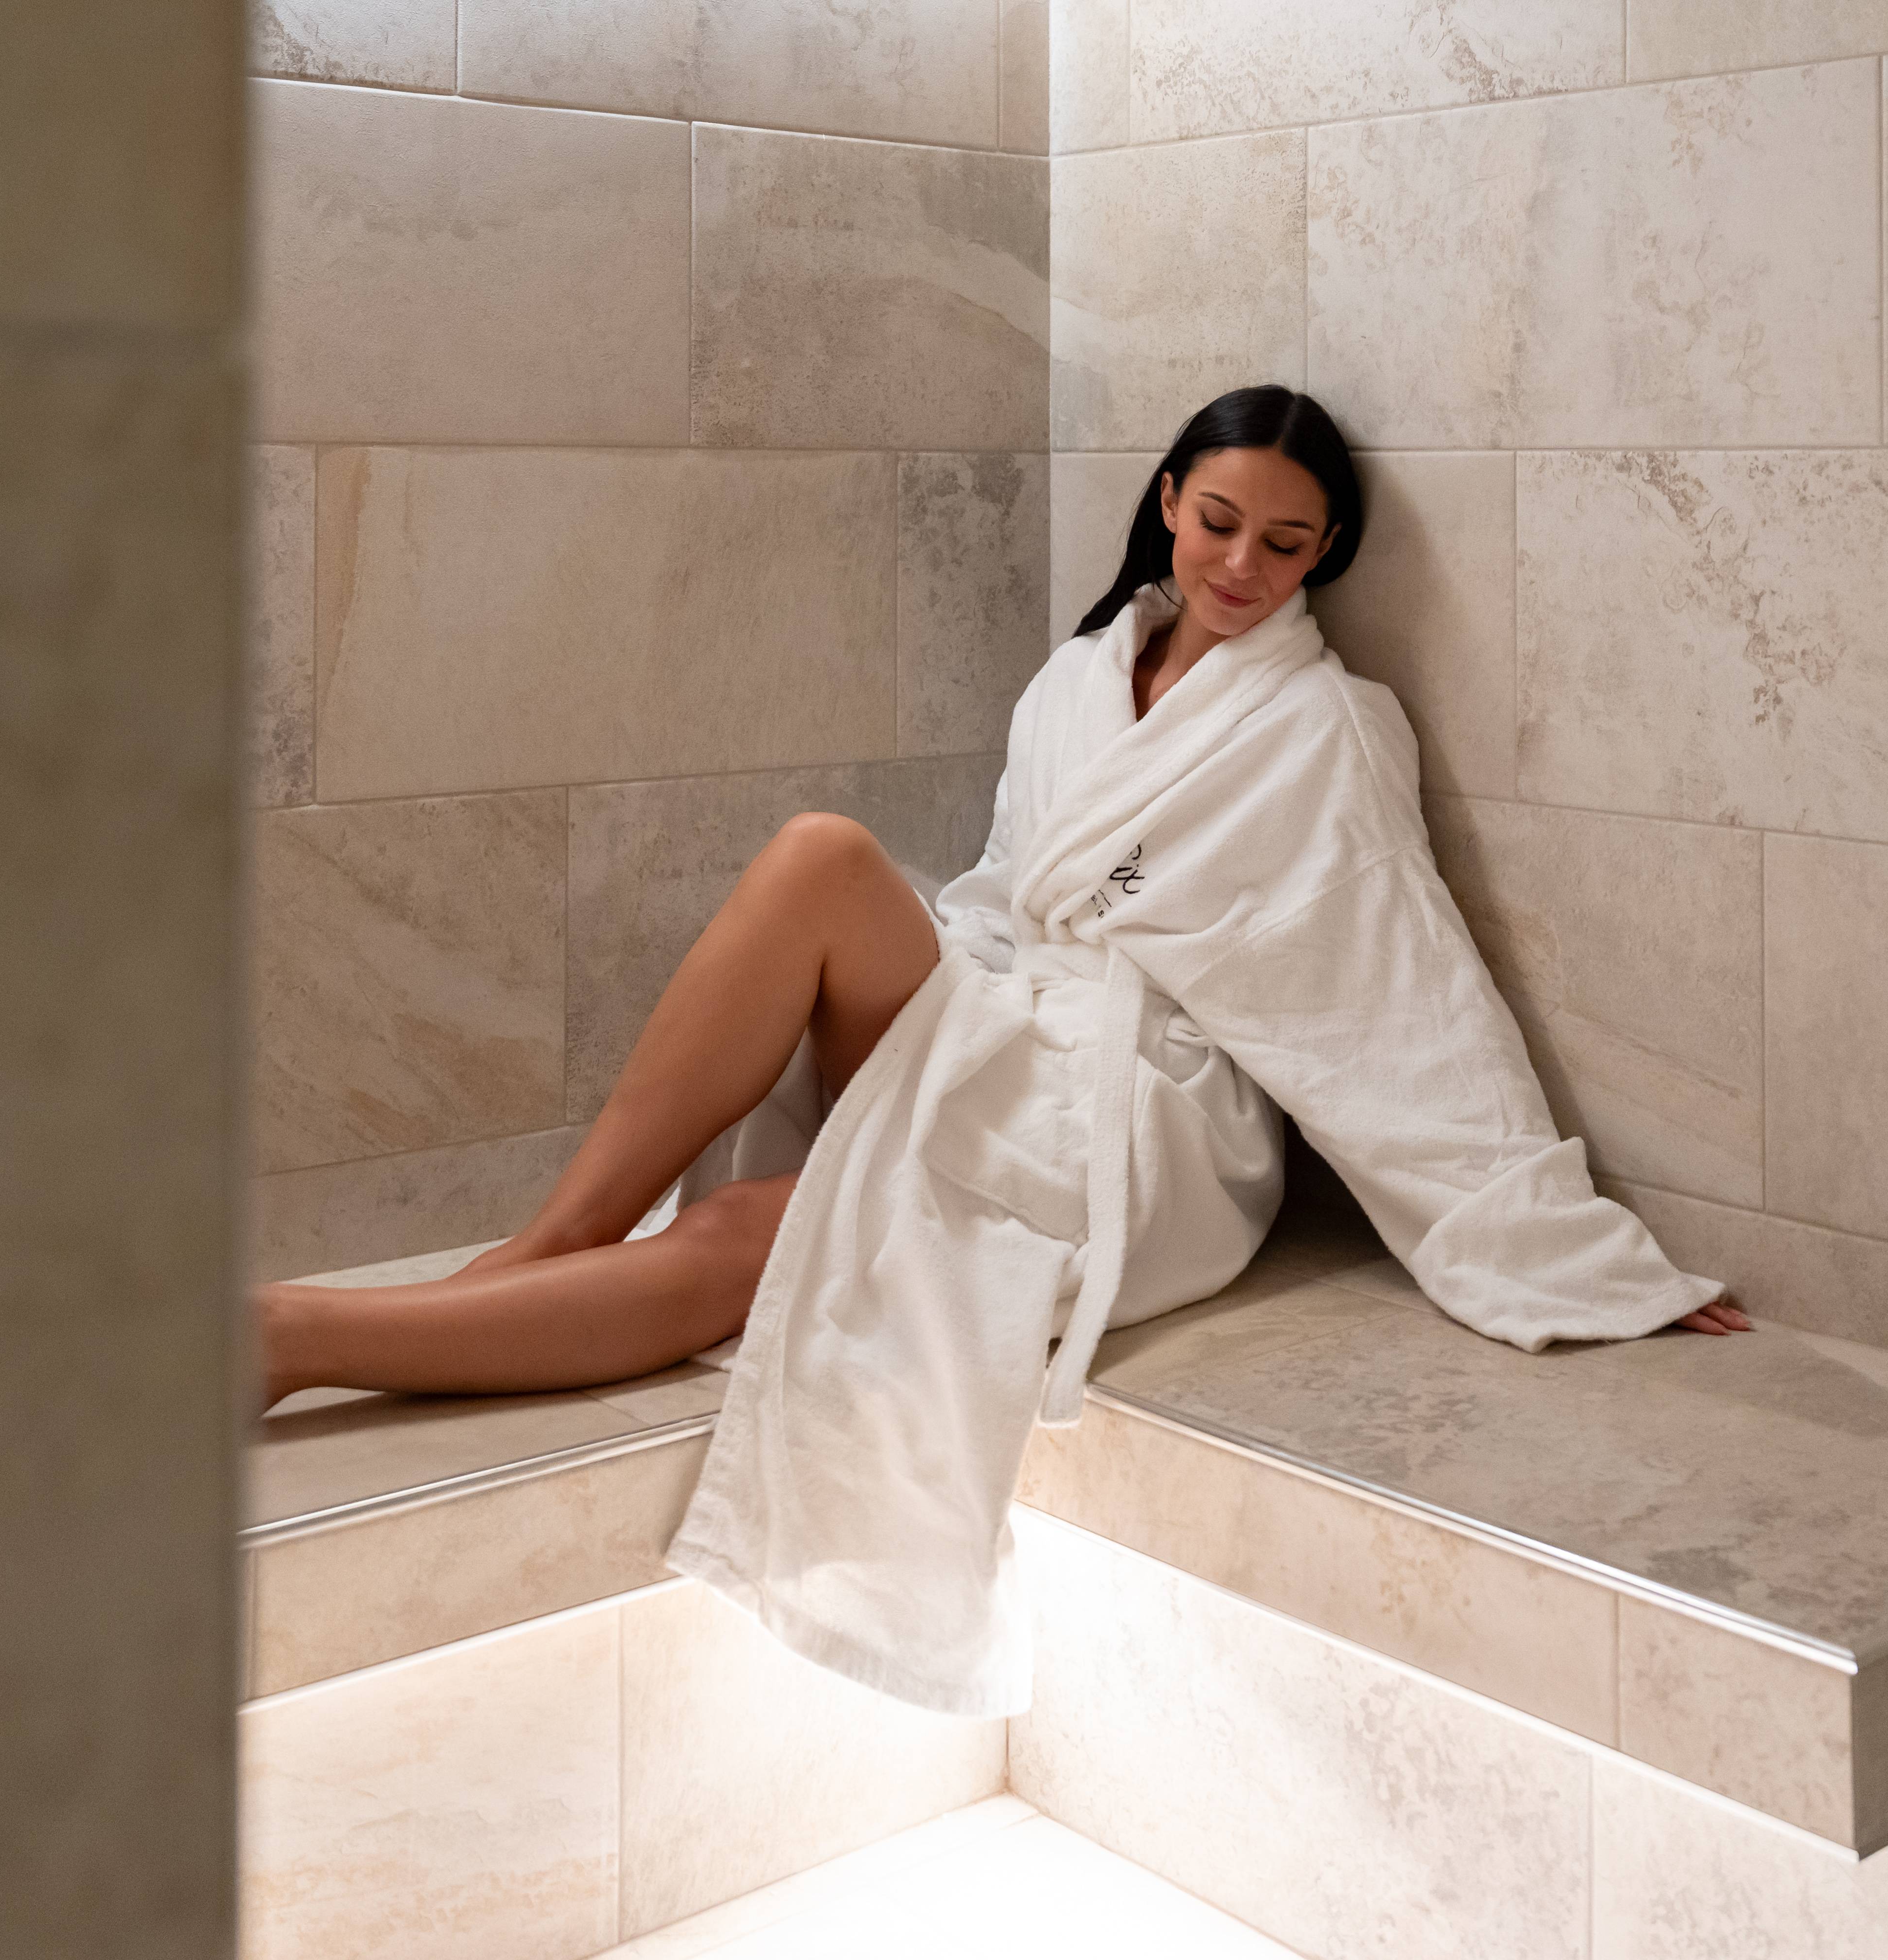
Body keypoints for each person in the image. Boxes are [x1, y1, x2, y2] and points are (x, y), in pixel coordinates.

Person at [253, 385, 1747, 1713]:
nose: (1241, 565)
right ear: (1169, 498)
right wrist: (952, 995)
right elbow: (998, 893)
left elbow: (1409, 993)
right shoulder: (1079, 679)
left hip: (1141, 1115)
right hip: (1015, 1013)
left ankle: (293, 1336)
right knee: (822, 860)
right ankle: (552, 1242)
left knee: (752, 1239)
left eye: (1286, 545)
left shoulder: (1330, 729)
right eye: (1219, 522)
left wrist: (1551, 1236)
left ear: (1327, 555)